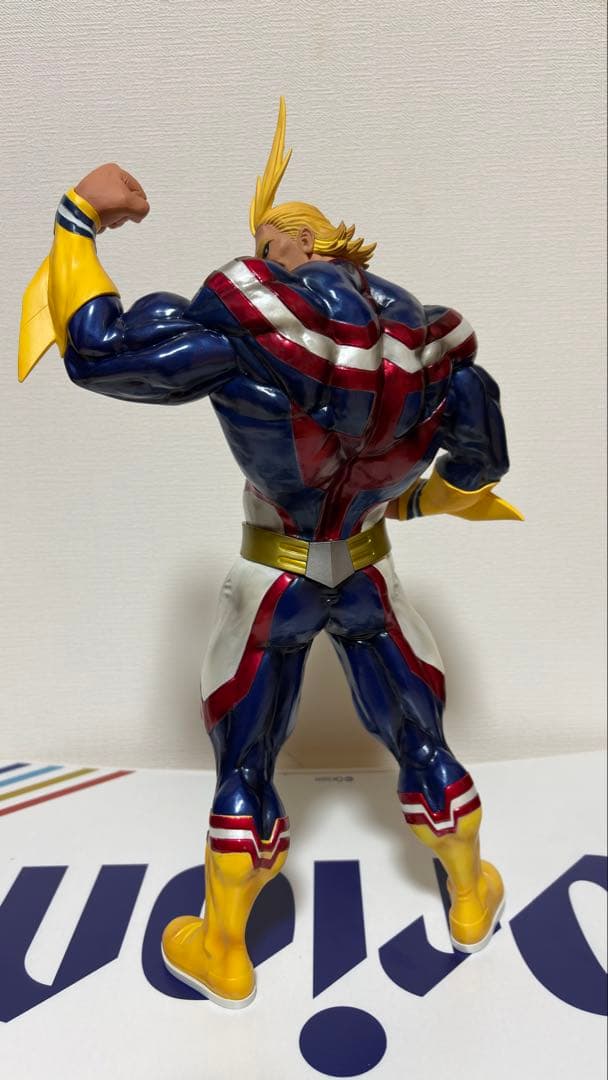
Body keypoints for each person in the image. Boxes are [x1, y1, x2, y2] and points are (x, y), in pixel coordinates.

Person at [19, 98, 522, 1009]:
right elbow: (481, 466)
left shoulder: (248, 334)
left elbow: (97, 352)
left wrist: (76, 218)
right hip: (365, 566)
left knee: (246, 766)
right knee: (420, 738)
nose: (257, 254)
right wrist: (410, 496)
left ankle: (223, 949)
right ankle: (468, 898)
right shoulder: (431, 349)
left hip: (274, 573)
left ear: (300, 242)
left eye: (266, 240)